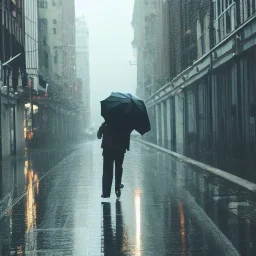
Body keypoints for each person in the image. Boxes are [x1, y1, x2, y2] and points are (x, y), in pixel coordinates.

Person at [97, 120, 132, 198]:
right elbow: (128, 133)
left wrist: (102, 127)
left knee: (107, 170)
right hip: (120, 149)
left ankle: (106, 193)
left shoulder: (107, 121)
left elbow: (99, 135)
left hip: (108, 149)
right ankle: (117, 188)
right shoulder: (124, 121)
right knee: (118, 168)